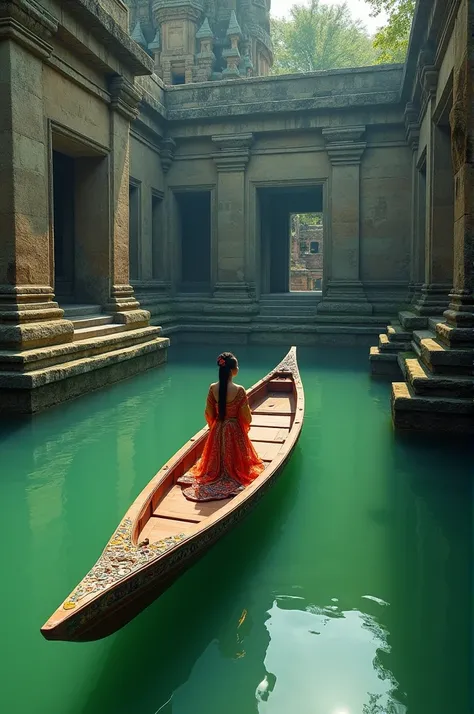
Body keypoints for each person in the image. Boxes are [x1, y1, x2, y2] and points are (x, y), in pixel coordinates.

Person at [178, 352, 265, 502]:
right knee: (244, 467)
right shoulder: (239, 390)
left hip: (218, 428)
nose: (238, 368)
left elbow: (208, 413)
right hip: (234, 429)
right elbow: (246, 417)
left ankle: (217, 473)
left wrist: (216, 426)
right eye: (237, 366)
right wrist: (241, 425)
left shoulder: (213, 388)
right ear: (232, 370)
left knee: (213, 463)